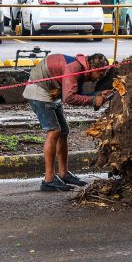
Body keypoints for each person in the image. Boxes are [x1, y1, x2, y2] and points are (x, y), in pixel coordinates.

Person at [23, 53, 112, 191]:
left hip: (53, 92)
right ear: (92, 68)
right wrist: (94, 100)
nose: (101, 76)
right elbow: (69, 98)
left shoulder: (83, 70)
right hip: (39, 91)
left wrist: (98, 94)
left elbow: (77, 93)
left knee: (63, 132)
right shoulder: (74, 68)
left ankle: (63, 174)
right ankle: (48, 180)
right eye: (100, 73)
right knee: (54, 131)